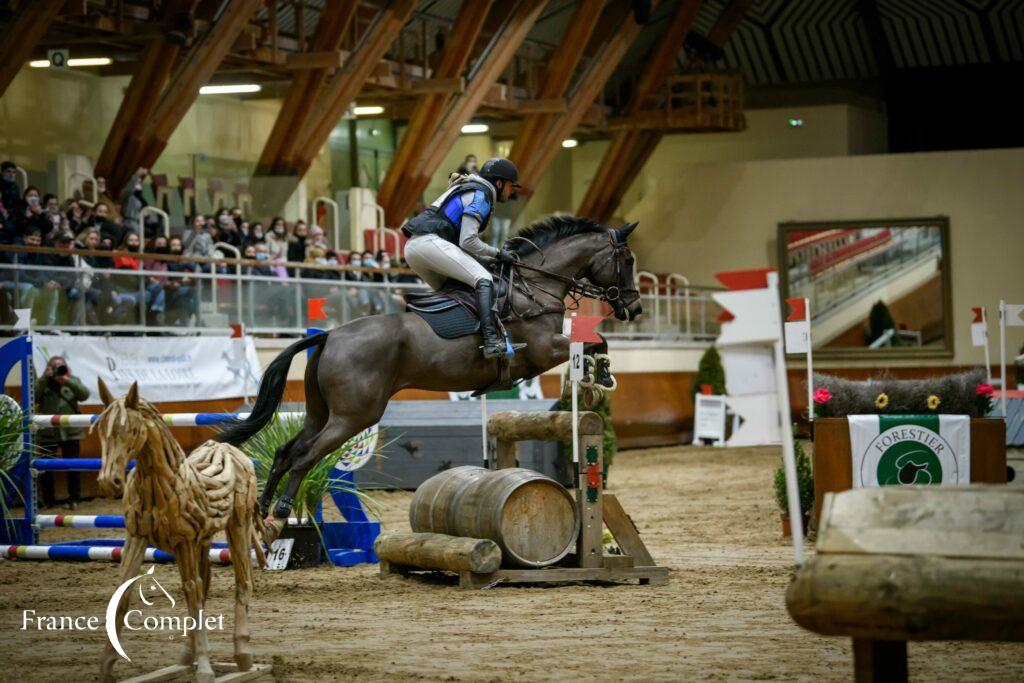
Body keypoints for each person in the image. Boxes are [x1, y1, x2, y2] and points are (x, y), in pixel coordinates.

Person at [402, 157, 521, 357]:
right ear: (499, 183)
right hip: (430, 243)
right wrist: (498, 253)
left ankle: (456, 341)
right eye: (510, 186)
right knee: (484, 279)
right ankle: (491, 341)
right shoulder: (481, 195)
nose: (511, 192)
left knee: (456, 289)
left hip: (415, 248)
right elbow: (468, 242)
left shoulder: (471, 186)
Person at [35, 356, 90, 509]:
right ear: (49, 369)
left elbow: (84, 395)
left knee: (73, 467)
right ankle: (48, 501)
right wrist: (45, 378)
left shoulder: (73, 380)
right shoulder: (43, 383)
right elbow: (33, 396)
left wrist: (67, 380)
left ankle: (74, 499)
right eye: (55, 367)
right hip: (48, 434)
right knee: (46, 469)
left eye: (62, 366)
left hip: (71, 432)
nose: (59, 370)